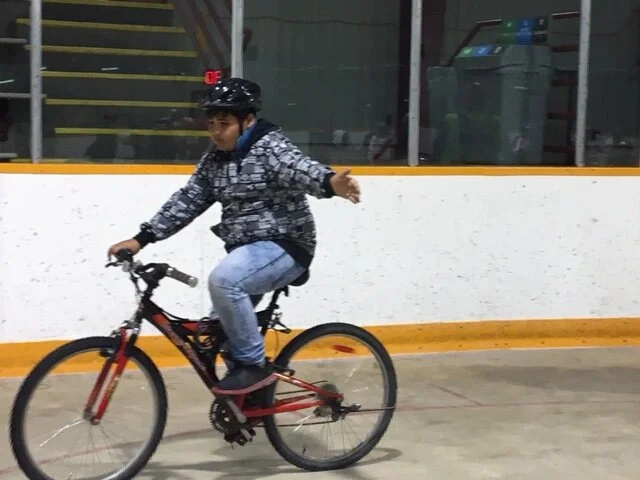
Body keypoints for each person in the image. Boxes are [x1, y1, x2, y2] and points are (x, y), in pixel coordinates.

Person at [107, 77, 361, 395]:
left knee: (224, 282)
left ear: (248, 121)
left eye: (224, 124)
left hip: (286, 246)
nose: (216, 132)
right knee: (222, 334)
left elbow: (300, 168)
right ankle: (253, 405)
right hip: (248, 254)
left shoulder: (271, 147)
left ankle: (254, 367)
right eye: (211, 124)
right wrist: (142, 238)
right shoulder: (215, 160)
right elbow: (188, 200)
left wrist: (330, 183)